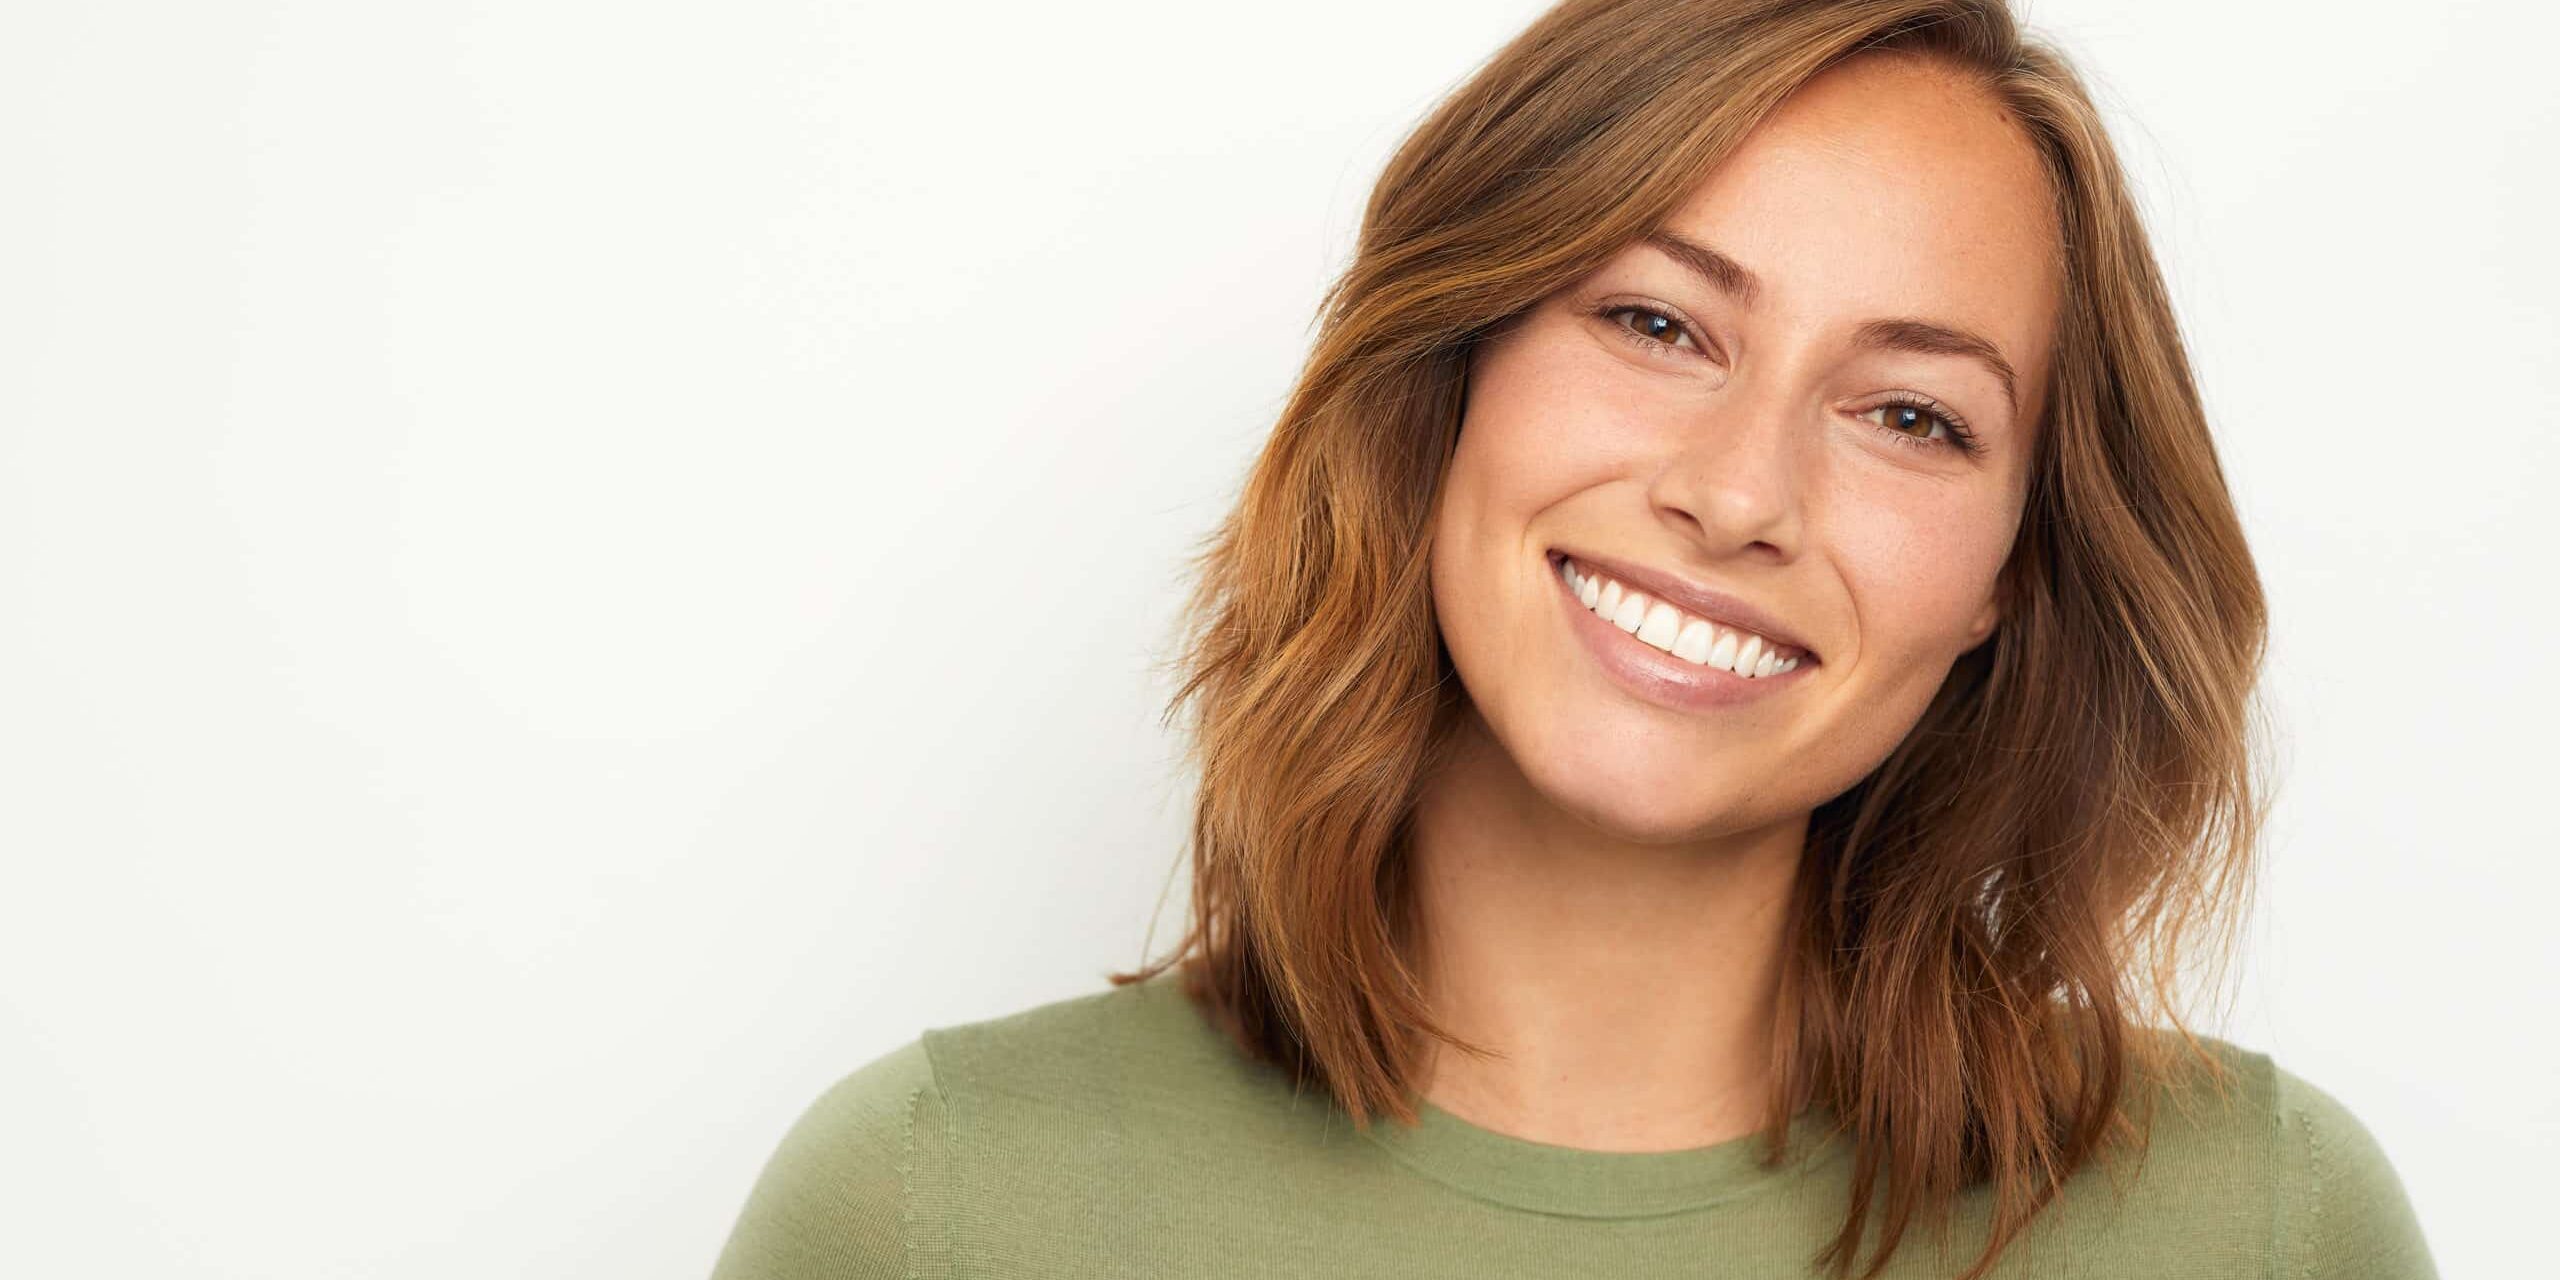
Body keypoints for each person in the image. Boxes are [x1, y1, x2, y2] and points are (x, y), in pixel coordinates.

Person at [710, 1, 2437, 1276]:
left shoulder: (2258, 1229)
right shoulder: (938, 1208)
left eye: (1912, 416)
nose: (1739, 491)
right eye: (1655, 320)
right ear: (1454, 367)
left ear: (2011, 570)